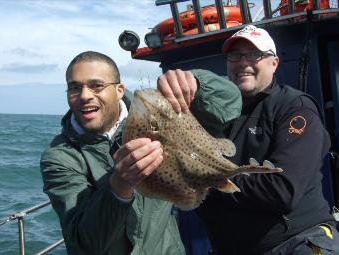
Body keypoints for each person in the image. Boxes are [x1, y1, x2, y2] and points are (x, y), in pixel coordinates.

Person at [157, 25, 339, 255]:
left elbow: (281, 191)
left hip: (295, 244)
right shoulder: (210, 115)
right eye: (235, 56)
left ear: (274, 63)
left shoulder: (294, 108)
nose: (243, 62)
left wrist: (202, 177)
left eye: (254, 55)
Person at [40, 51, 241, 255]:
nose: (84, 96)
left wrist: (196, 82)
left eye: (97, 86)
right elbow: (84, 243)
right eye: (74, 88)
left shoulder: (158, 110)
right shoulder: (60, 157)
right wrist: (118, 186)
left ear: (119, 90)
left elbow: (231, 103)